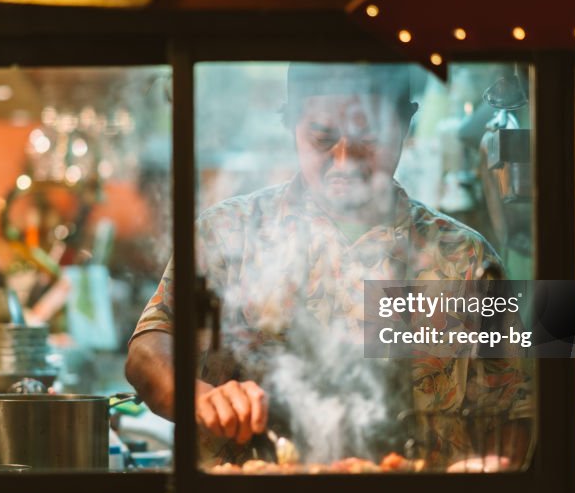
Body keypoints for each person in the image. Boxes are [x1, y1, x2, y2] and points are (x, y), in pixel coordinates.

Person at [125, 63, 529, 464]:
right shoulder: (227, 234)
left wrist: (495, 470)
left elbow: (513, 408)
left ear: (405, 125)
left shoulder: (464, 259)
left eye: (368, 139)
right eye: (322, 138)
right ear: (291, 126)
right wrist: (205, 398)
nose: (344, 160)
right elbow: (146, 353)